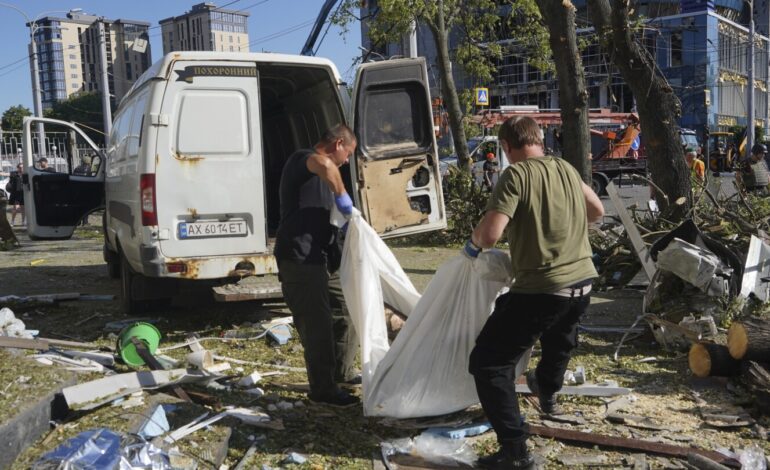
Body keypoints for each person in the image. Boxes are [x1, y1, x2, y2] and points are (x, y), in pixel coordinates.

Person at [465, 116, 604, 469]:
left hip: (544, 288)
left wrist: (473, 243)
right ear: (540, 140)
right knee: (559, 339)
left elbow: (492, 233)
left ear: (507, 147)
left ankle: (515, 451)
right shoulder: (567, 169)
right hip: (584, 281)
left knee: (489, 363)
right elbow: (597, 211)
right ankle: (548, 392)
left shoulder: (515, 175)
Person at [274, 124, 361, 408]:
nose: (347, 161)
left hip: (322, 257)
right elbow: (323, 163)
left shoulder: (324, 174)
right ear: (337, 144)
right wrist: (342, 196)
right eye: (347, 154)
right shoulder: (302, 160)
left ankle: (342, 372)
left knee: (348, 308)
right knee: (318, 325)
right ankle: (323, 389)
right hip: (299, 258)